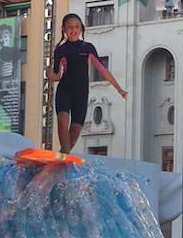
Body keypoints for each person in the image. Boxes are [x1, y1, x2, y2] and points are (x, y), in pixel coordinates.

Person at [46, 13, 128, 154]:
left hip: (81, 93)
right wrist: (49, 75)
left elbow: (102, 70)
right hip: (64, 90)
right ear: (64, 29)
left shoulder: (87, 48)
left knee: (75, 133)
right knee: (62, 121)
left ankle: (62, 156)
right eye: (70, 27)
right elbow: (58, 75)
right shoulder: (60, 50)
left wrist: (119, 89)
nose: (73, 30)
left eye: (77, 27)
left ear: (81, 29)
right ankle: (64, 154)